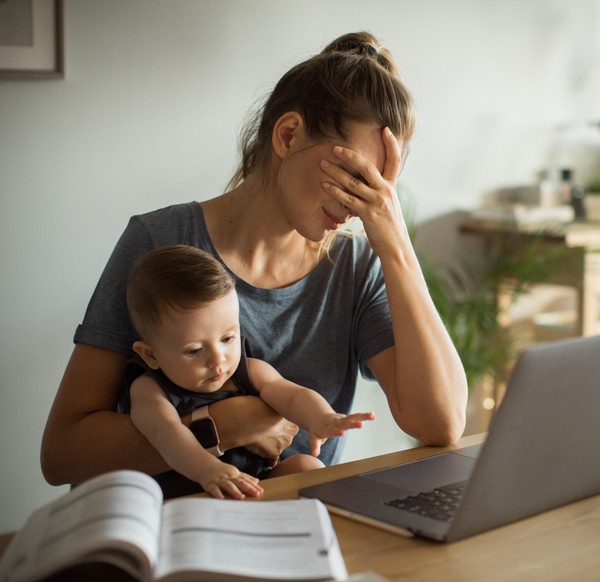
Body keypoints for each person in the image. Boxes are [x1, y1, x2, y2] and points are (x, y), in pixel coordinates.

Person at [40, 31, 468, 494]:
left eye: (381, 187)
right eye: (353, 177)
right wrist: (222, 425)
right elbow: (63, 454)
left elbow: (441, 425)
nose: (361, 206)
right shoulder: (159, 241)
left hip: (293, 534)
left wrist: (396, 245)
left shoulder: (357, 267)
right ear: (288, 135)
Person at [124, 245, 375, 499]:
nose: (217, 359)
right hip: (193, 497)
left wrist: (321, 418)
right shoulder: (149, 389)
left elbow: (293, 396)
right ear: (151, 355)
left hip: (255, 488)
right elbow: (167, 435)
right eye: (194, 350)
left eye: (228, 338)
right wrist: (207, 470)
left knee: (307, 467)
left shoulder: (249, 371)